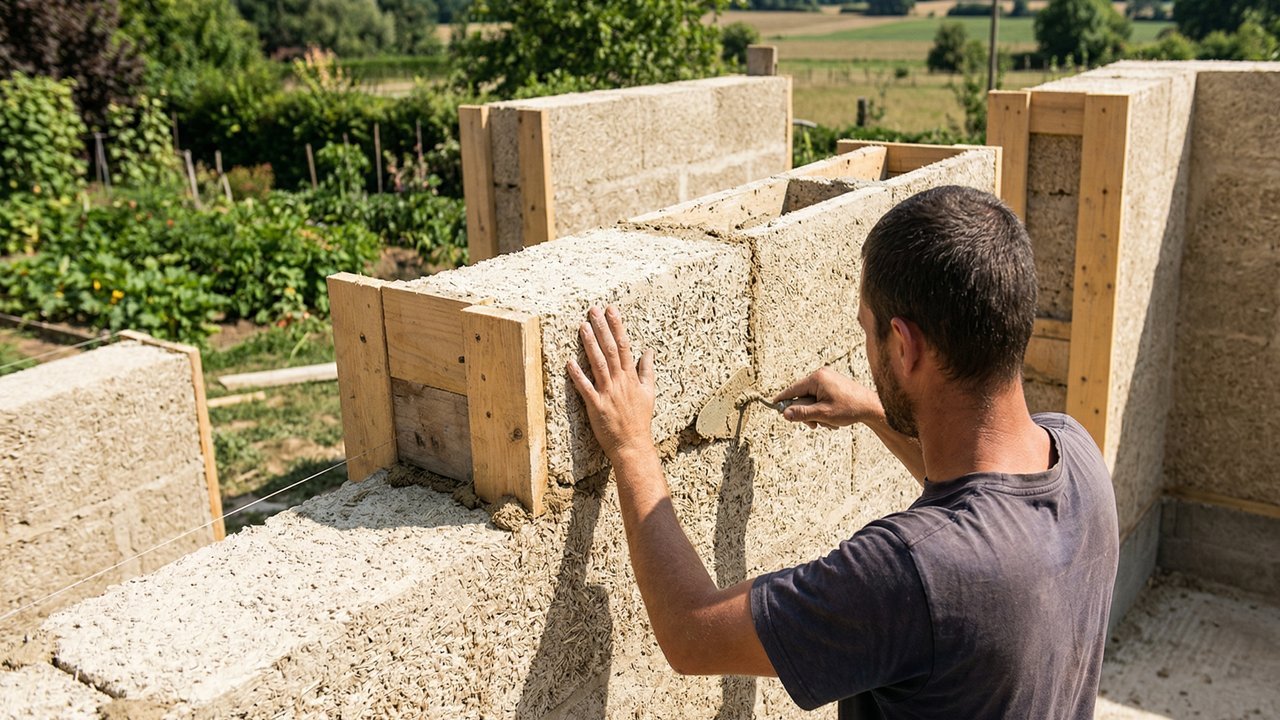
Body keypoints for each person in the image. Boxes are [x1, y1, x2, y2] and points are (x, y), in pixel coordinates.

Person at [566, 185, 1119, 719]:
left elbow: (692, 634)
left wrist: (632, 445)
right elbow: (984, 500)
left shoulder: (908, 572)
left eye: (869, 332)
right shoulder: (1075, 453)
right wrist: (876, 411)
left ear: (904, 346)